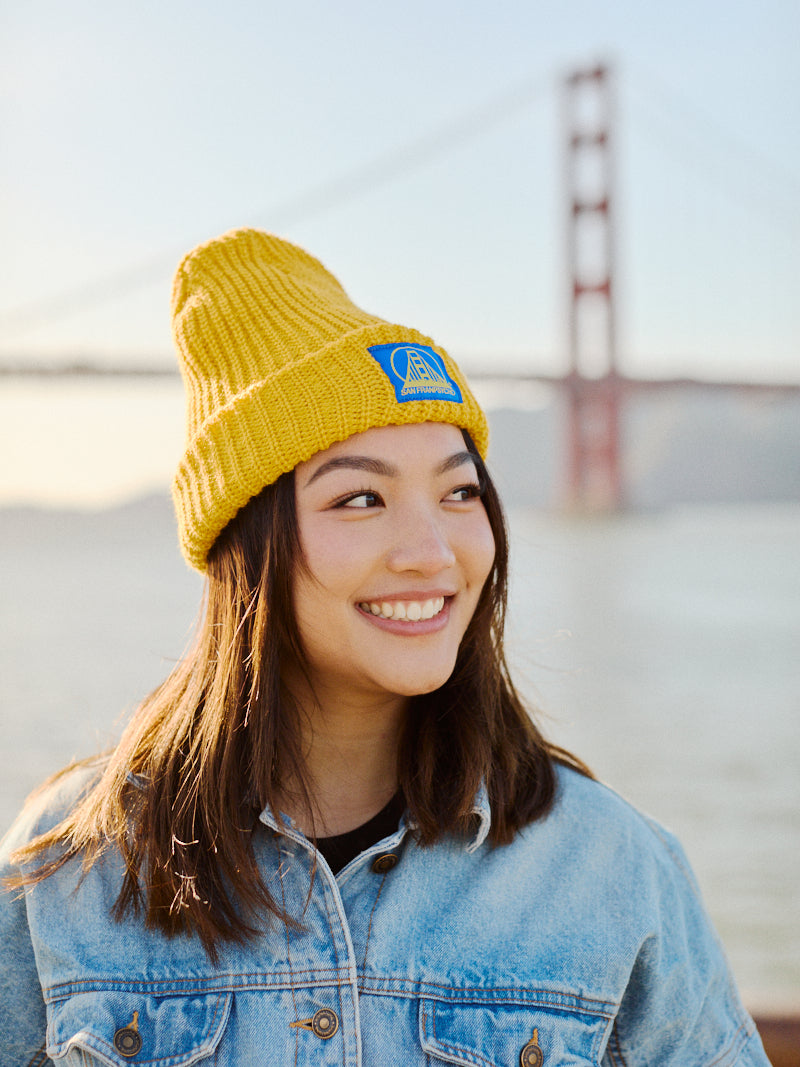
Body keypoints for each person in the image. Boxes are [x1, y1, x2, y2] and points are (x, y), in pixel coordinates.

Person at [0, 228, 768, 1065]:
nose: (432, 552)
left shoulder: (612, 869)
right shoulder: (73, 865)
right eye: (361, 498)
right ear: (244, 546)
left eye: (459, 491)